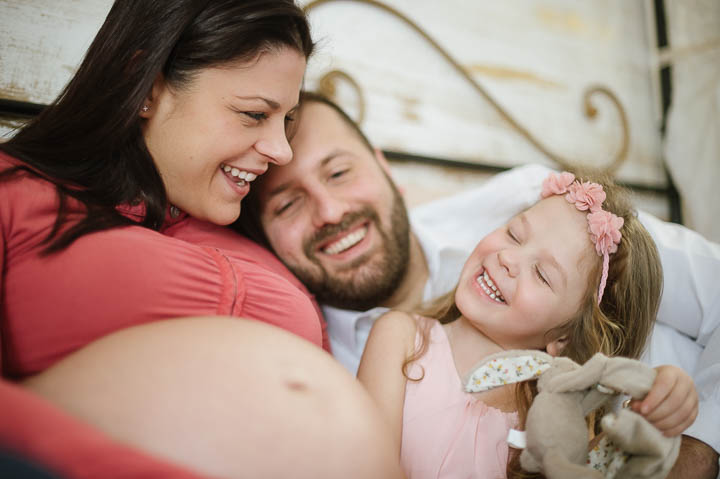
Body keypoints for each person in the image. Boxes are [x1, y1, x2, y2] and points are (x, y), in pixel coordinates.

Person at [0, 2, 403, 477]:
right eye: (255, 114)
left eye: (287, 119)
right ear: (147, 89)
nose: (281, 150)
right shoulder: (16, 195)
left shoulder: (250, 226)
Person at [237, 91, 720, 478]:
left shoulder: (553, 211)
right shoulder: (315, 362)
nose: (330, 211)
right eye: (286, 204)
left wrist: (689, 433)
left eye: (339, 172)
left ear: (385, 166)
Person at [356, 170, 696, 477]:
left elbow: (608, 461)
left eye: (542, 275)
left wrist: (660, 396)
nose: (508, 258)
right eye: (515, 235)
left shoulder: (550, 419)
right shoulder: (401, 338)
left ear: (565, 337)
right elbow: (365, 464)